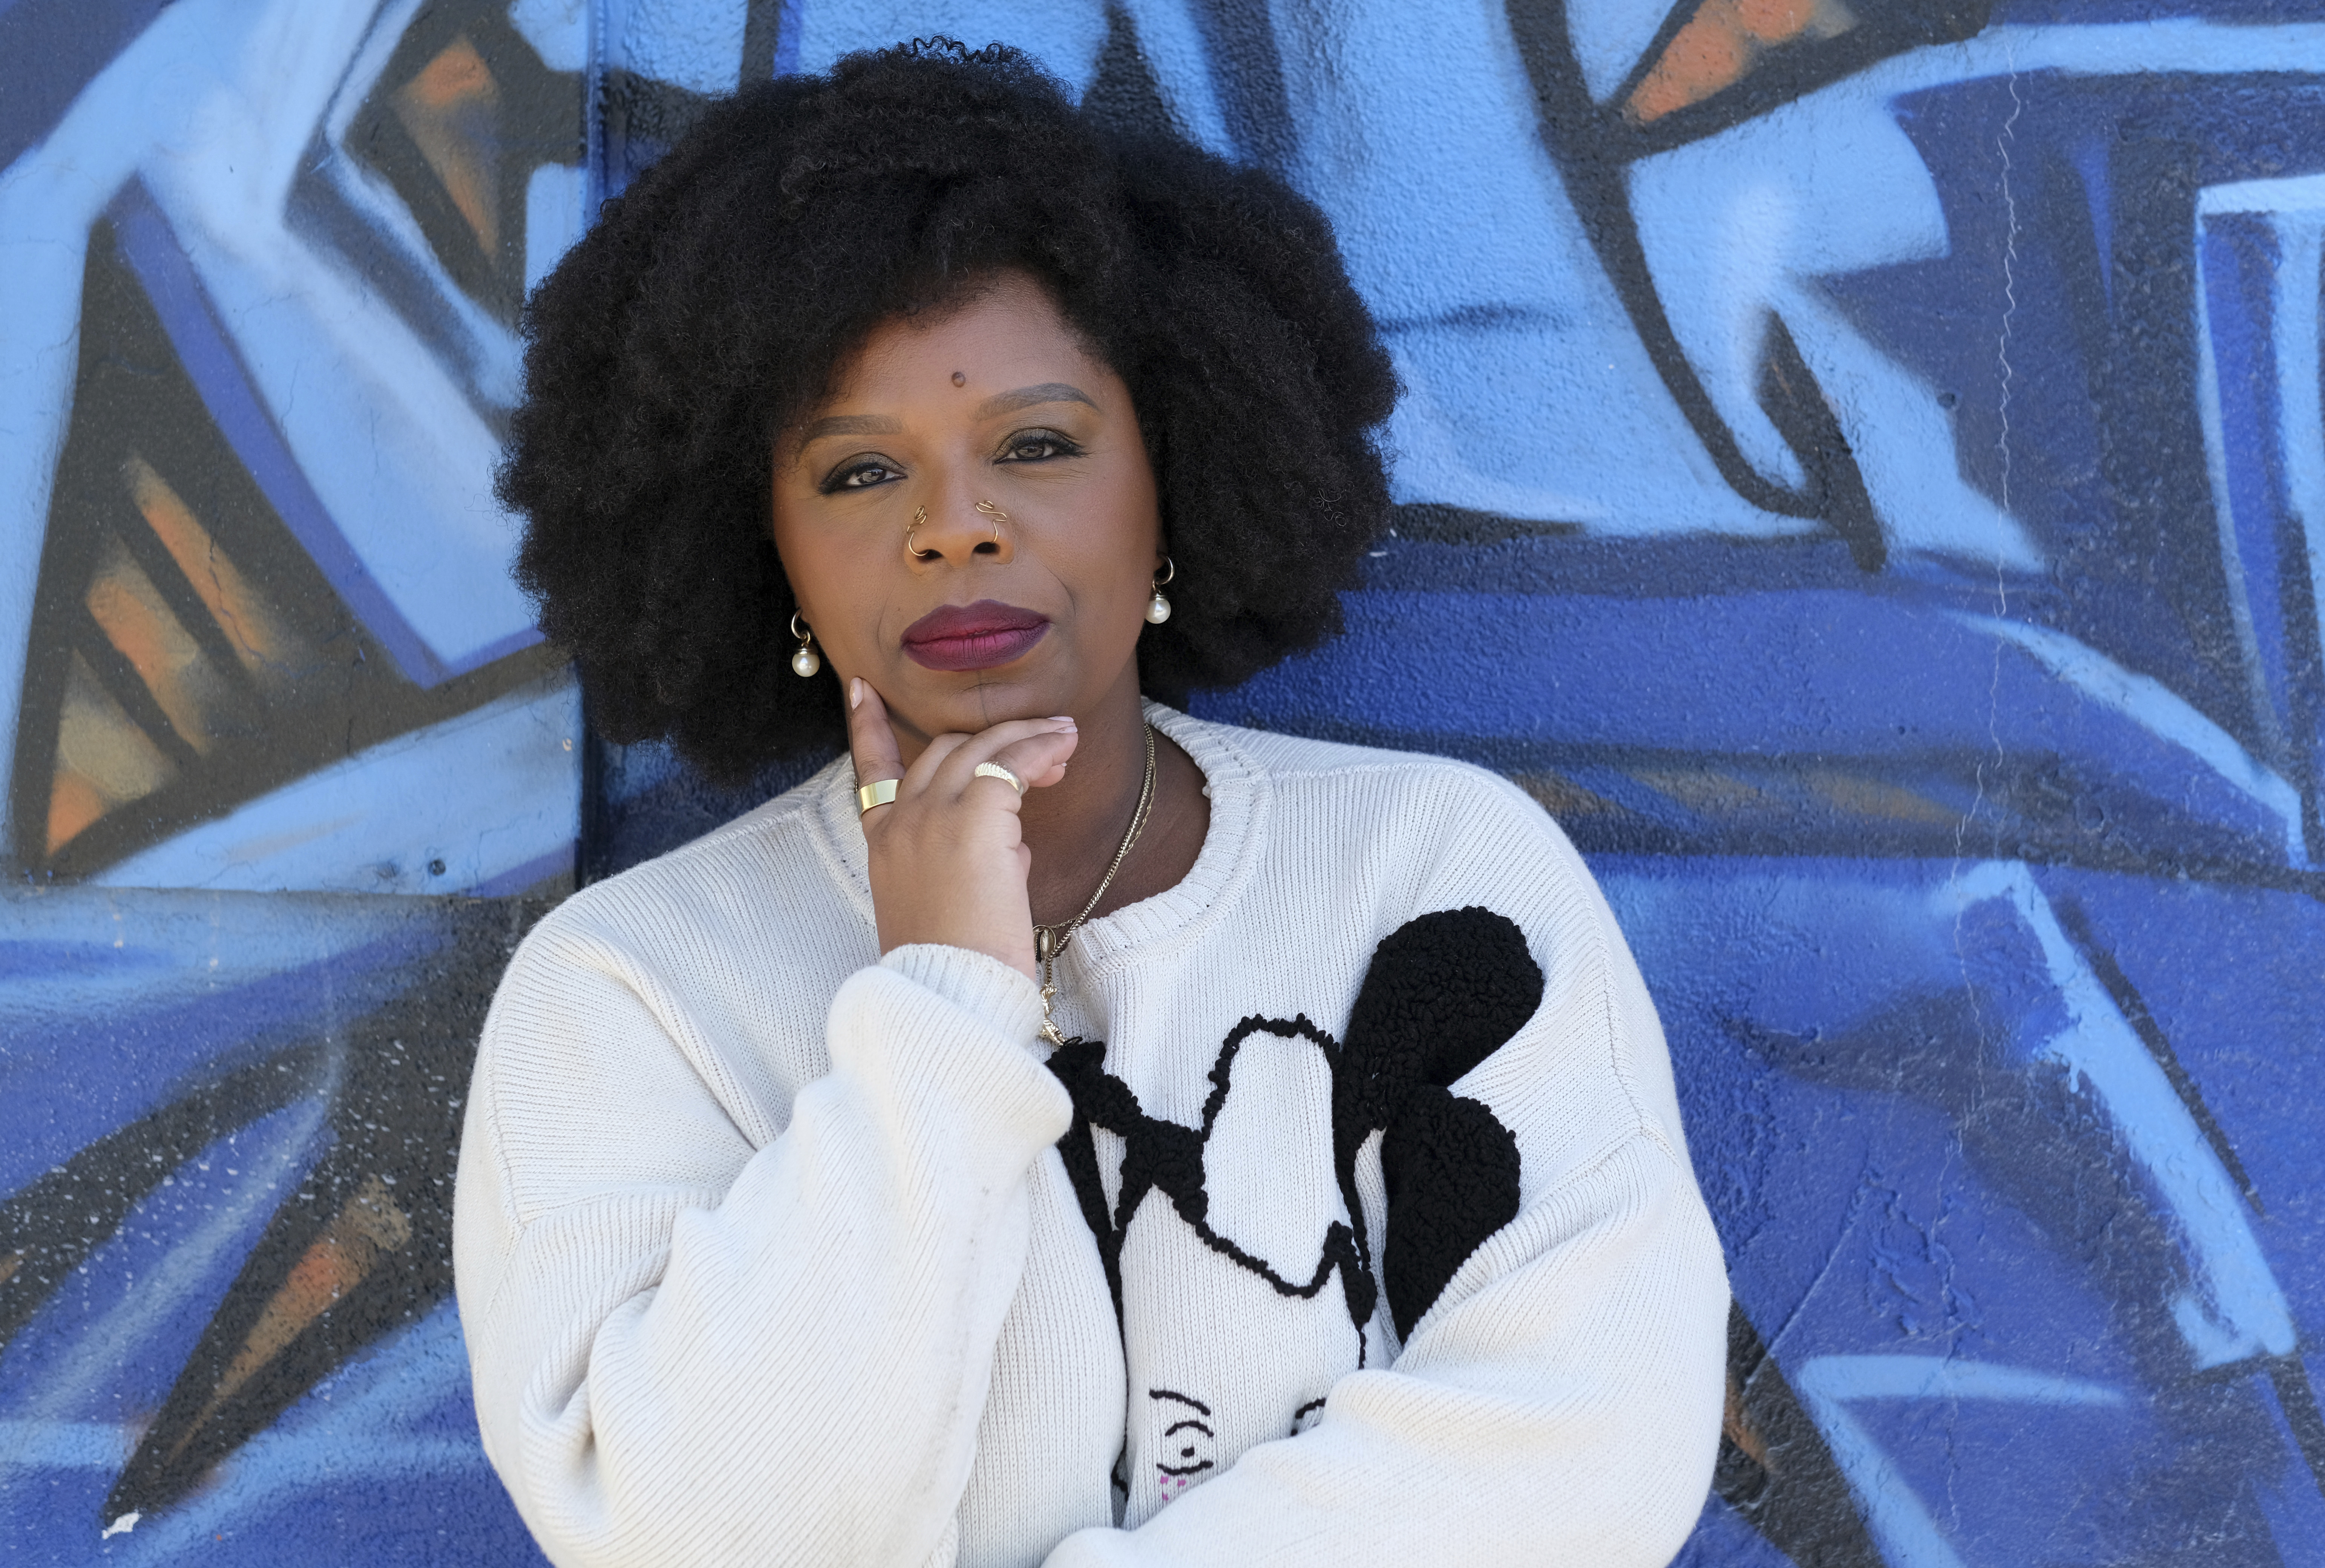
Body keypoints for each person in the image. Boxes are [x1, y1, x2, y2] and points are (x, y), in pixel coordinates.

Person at [454, 38, 1728, 1568]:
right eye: (860, 473)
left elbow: (1585, 1444)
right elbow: (707, 1533)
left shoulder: (1434, 878)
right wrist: (941, 1005)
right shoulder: (632, 991)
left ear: (1176, 468)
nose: (956, 528)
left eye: (1038, 445)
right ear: (763, 542)